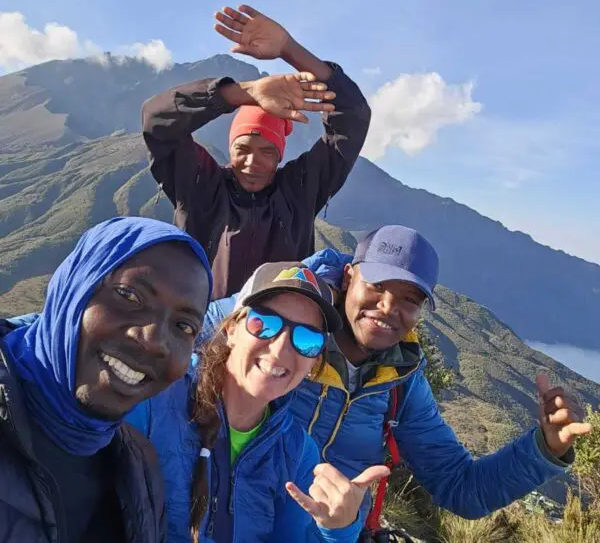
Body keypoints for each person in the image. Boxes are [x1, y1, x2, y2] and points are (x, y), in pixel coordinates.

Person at [202, 225, 593, 535]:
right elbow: (188, 333)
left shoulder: (401, 385)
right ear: (348, 277)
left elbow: (462, 488)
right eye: (377, 287)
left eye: (410, 299)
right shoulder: (283, 319)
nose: (388, 308)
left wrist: (546, 447)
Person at [126, 262, 389, 543]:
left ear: (314, 362)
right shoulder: (155, 398)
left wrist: (339, 528)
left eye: (306, 338)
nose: (280, 348)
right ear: (232, 329)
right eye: (264, 323)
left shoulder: (296, 454)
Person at [0, 216, 213, 543]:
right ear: (74, 287)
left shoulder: (140, 471)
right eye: (129, 296)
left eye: (184, 326)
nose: (154, 340)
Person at [142, 4, 371, 299]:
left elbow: (353, 116)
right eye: (242, 149)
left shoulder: (299, 191)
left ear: (280, 155)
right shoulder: (200, 185)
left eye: (267, 151)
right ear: (230, 147)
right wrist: (244, 93)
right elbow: (158, 119)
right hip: (199, 339)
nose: (253, 162)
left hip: (277, 340)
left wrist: (290, 49)